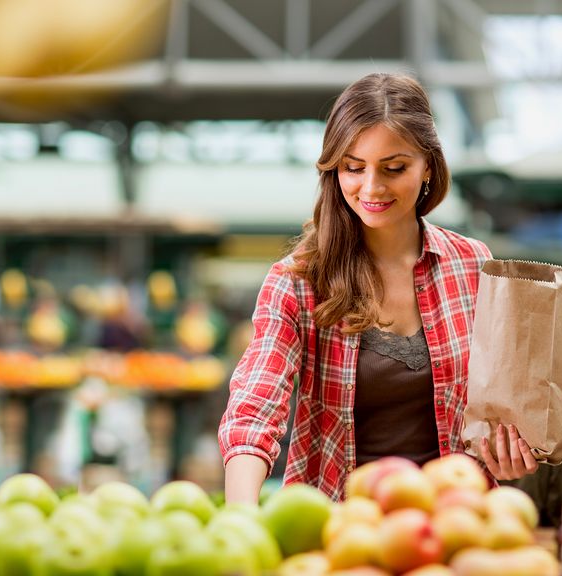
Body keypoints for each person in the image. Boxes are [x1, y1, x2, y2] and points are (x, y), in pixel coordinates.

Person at [218, 73, 538, 504]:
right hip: (340, 531)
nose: (371, 187)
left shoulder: (472, 265)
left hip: (455, 524)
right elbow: (256, 403)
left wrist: (513, 451)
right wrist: (241, 513)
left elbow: (504, 407)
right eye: (353, 167)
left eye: (394, 168)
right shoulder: (298, 280)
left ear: (428, 165)